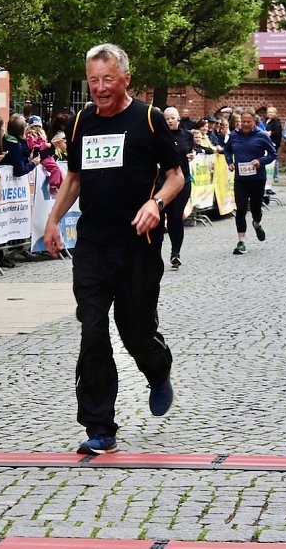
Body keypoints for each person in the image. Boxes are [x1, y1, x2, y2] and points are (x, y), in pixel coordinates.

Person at [42, 43, 183, 455]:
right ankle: (100, 426)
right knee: (93, 329)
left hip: (137, 245)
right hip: (93, 244)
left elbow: (174, 177)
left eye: (107, 79)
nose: (100, 88)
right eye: (93, 80)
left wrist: (155, 204)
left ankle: (158, 370)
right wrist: (52, 221)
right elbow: (74, 178)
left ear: (125, 78)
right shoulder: (82, 120)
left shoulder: (149, 120)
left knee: (136, 329)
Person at [226, 109, 276, 254]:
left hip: (257, 179)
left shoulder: (262, 135)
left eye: (249, 122)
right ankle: (241, 242)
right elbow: (227, 150)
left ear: (254, 121)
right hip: (240, 179)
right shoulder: (234, 135)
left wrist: (261, 161)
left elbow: (273, 153)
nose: (246, 124)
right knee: (240, 209)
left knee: (255, 209)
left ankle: (256, 223)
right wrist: (230, 162)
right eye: (243, 122)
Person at [163, 107, 195, 269]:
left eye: (172, 118)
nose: (170, 121)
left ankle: (176, 253)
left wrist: (192, 154)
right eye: (167, 118)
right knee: (164, 216)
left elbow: (191, 150)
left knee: (176, 217)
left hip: (183, 181)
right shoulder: (159, 136)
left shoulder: (187, 135)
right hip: (164, 182)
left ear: (178, 119)